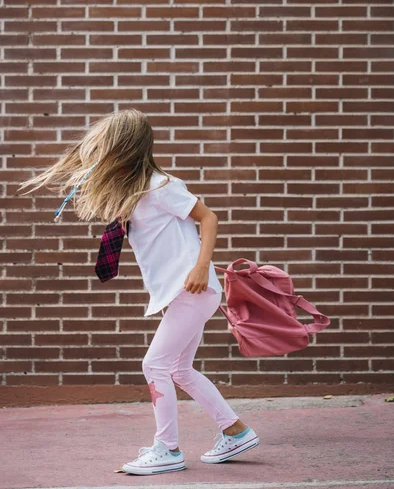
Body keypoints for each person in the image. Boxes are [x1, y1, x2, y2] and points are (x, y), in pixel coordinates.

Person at [18, 108, 259, 475]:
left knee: (154, 365)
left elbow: (208, 218)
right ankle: (235, 431)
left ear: (126, 149)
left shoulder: (162, 186)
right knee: (179, 369)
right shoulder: (135, 191)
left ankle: (168, 448)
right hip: (180, 292)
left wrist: (199, 267)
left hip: (190, 287)